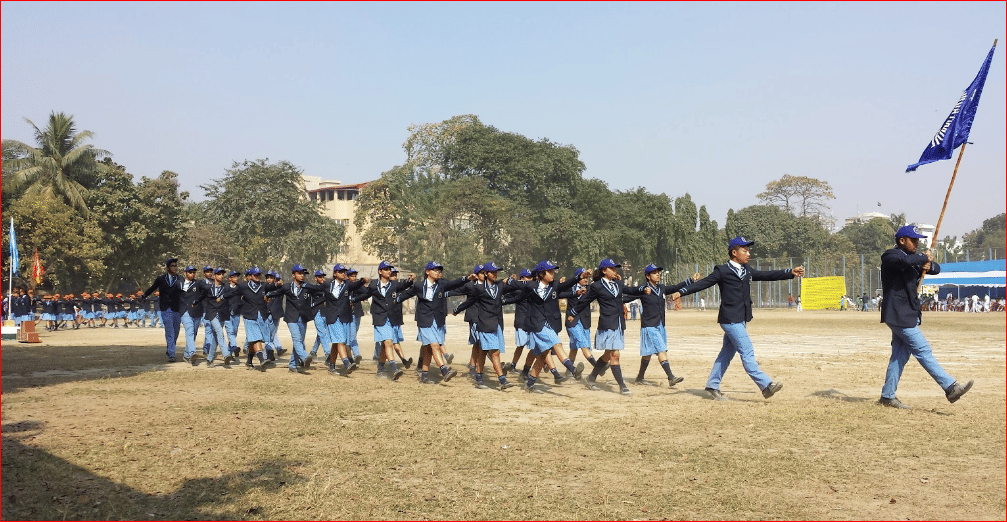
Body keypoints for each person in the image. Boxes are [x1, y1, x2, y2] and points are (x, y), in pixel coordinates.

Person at [671, 237, 804, 401]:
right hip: (729, 319)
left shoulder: (746, 269)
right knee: (747, 351)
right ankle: (766, 386)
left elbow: (765, 275)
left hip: (741, 318)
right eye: (745, 250)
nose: (748, 253)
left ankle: (712, 385)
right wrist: (681, 292)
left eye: (749, 250)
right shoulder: (722, 270)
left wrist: (789, 272)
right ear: (734, 252)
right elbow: (703, 283)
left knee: (726, 353)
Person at [877, 225, 972, 409]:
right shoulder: (891, 256)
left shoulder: (913, 260)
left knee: (899, 356)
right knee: (923, 349)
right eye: (914, 240)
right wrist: (923, 258)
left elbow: (936, 269)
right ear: (902, 240)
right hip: (898, 314)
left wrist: (929, 264)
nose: (917, 243)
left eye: (918, 241)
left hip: (907, 313)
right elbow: (906, 261)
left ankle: (887, 396)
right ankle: (950, 387)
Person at [570, 258, 638, 395]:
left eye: (615, 268)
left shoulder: (618, 283)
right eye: (612, 268)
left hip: (618, 323)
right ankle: (622, 385)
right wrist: (573, 312)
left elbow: (629, 291)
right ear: (604, 271)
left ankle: (591, 378)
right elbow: (585, 300)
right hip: (607, 323)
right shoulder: (597, 286)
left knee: (607, 355)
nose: (615, 271)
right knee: (615, 354)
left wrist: (644, 290)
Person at [624, 264, 698, 387]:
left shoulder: (661, 288)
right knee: (661, 350)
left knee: (647, 354)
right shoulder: (643, 289)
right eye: (654, 272)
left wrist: (690, 280)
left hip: (660, 325)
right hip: (649, 325)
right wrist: (611, 301)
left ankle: (640, 378)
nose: (658, 274)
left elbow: (675, 287)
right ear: (648, 276)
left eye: (658, 272)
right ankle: (671, 377)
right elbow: (628, 296)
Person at [397, 261, 468, 384]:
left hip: (438, 320)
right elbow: (406, 295)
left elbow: (453, 284)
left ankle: (424, 376)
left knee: (429, 349)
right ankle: (444, 370)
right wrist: (393, 301)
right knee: (434, 345)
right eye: (435, 270)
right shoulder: (419, 285)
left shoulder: (441, 284)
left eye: (439, 270)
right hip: (424, 320)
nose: (438, 272)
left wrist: (466, 278)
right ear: (427, 272)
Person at [451, 262, 518, 390]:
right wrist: (457, 309)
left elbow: (513, 288)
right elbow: (469, 301)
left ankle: (479, 377)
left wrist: (513, 281)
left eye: (496, 272)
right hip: (485, 323)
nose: (495, 274)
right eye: (492, 272)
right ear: (486, 274)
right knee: (495, 352)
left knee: (482, 352)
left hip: (497, 324)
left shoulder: (499, 286)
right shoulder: (479, 289)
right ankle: (502, 380)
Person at [351, 260, 415, 380]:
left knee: (385, 345)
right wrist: (353, 300)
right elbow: (366, 295)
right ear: (380, 271)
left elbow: (403, 286)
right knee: (388, 343)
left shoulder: (394, 284)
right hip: (379, 318)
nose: (389, 271)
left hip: (391, 319)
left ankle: (380, 368)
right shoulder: (374, 285)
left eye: (389, 269)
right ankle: (394, 368)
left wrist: (410, 280)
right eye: (386, 269)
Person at [266, 264, 314, 373]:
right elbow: (276, 292)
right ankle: (304, 356)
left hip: (303, 318)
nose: (302, 276)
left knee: (300, 341)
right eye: (299, 273)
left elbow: (319, 292)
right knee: (297, 339)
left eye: (303, 274)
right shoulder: (287, 287)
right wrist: (267, 295)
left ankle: (292, 365)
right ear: (293, 275)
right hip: (291, 318)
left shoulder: (307, 286)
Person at [142, 257, 184, 362]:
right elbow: (153, 288)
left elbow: (185, 292)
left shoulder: (181, 279)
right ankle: (171, 354)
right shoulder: (161, 279)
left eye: (175, 265)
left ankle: (170, 348)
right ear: (167, 267)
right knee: (169, 330)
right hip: (165, 308)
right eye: (172, 266)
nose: (174, 267)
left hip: (177, 308)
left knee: (176, 331)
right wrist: (144, 295)